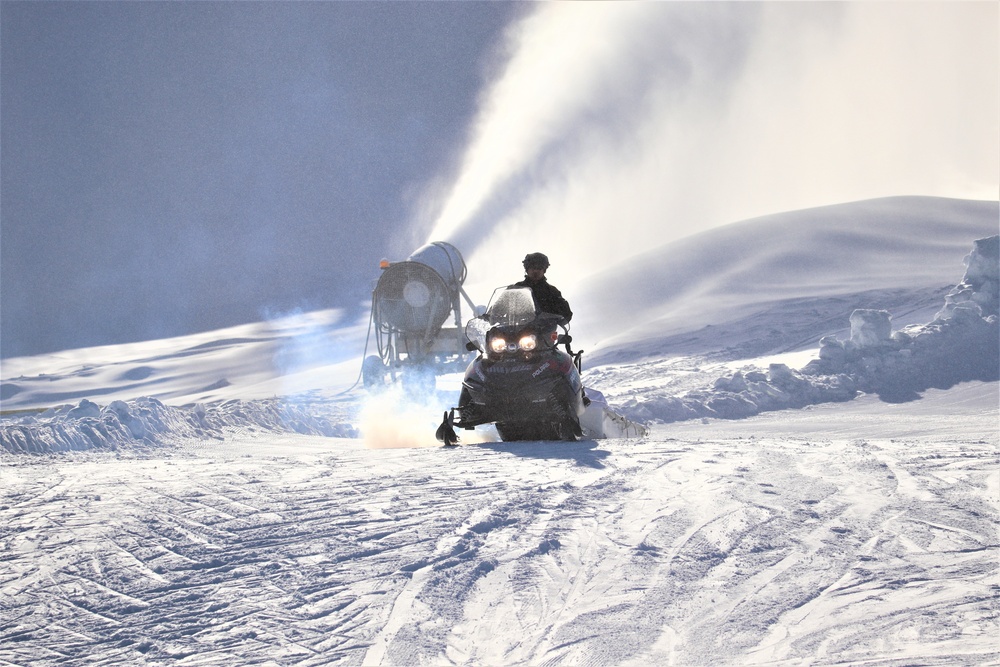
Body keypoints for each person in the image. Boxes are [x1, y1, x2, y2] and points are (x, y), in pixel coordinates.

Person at [513, 252, 572, 323]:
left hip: (544, 331)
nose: (535, 271)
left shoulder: (552, 291)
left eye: (539, 268)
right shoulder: (516, 289)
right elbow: (499, 308)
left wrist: (557, 317)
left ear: (544, 270)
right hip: (518, 329)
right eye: (532, 267)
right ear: (527, 269)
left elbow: (566, 313)